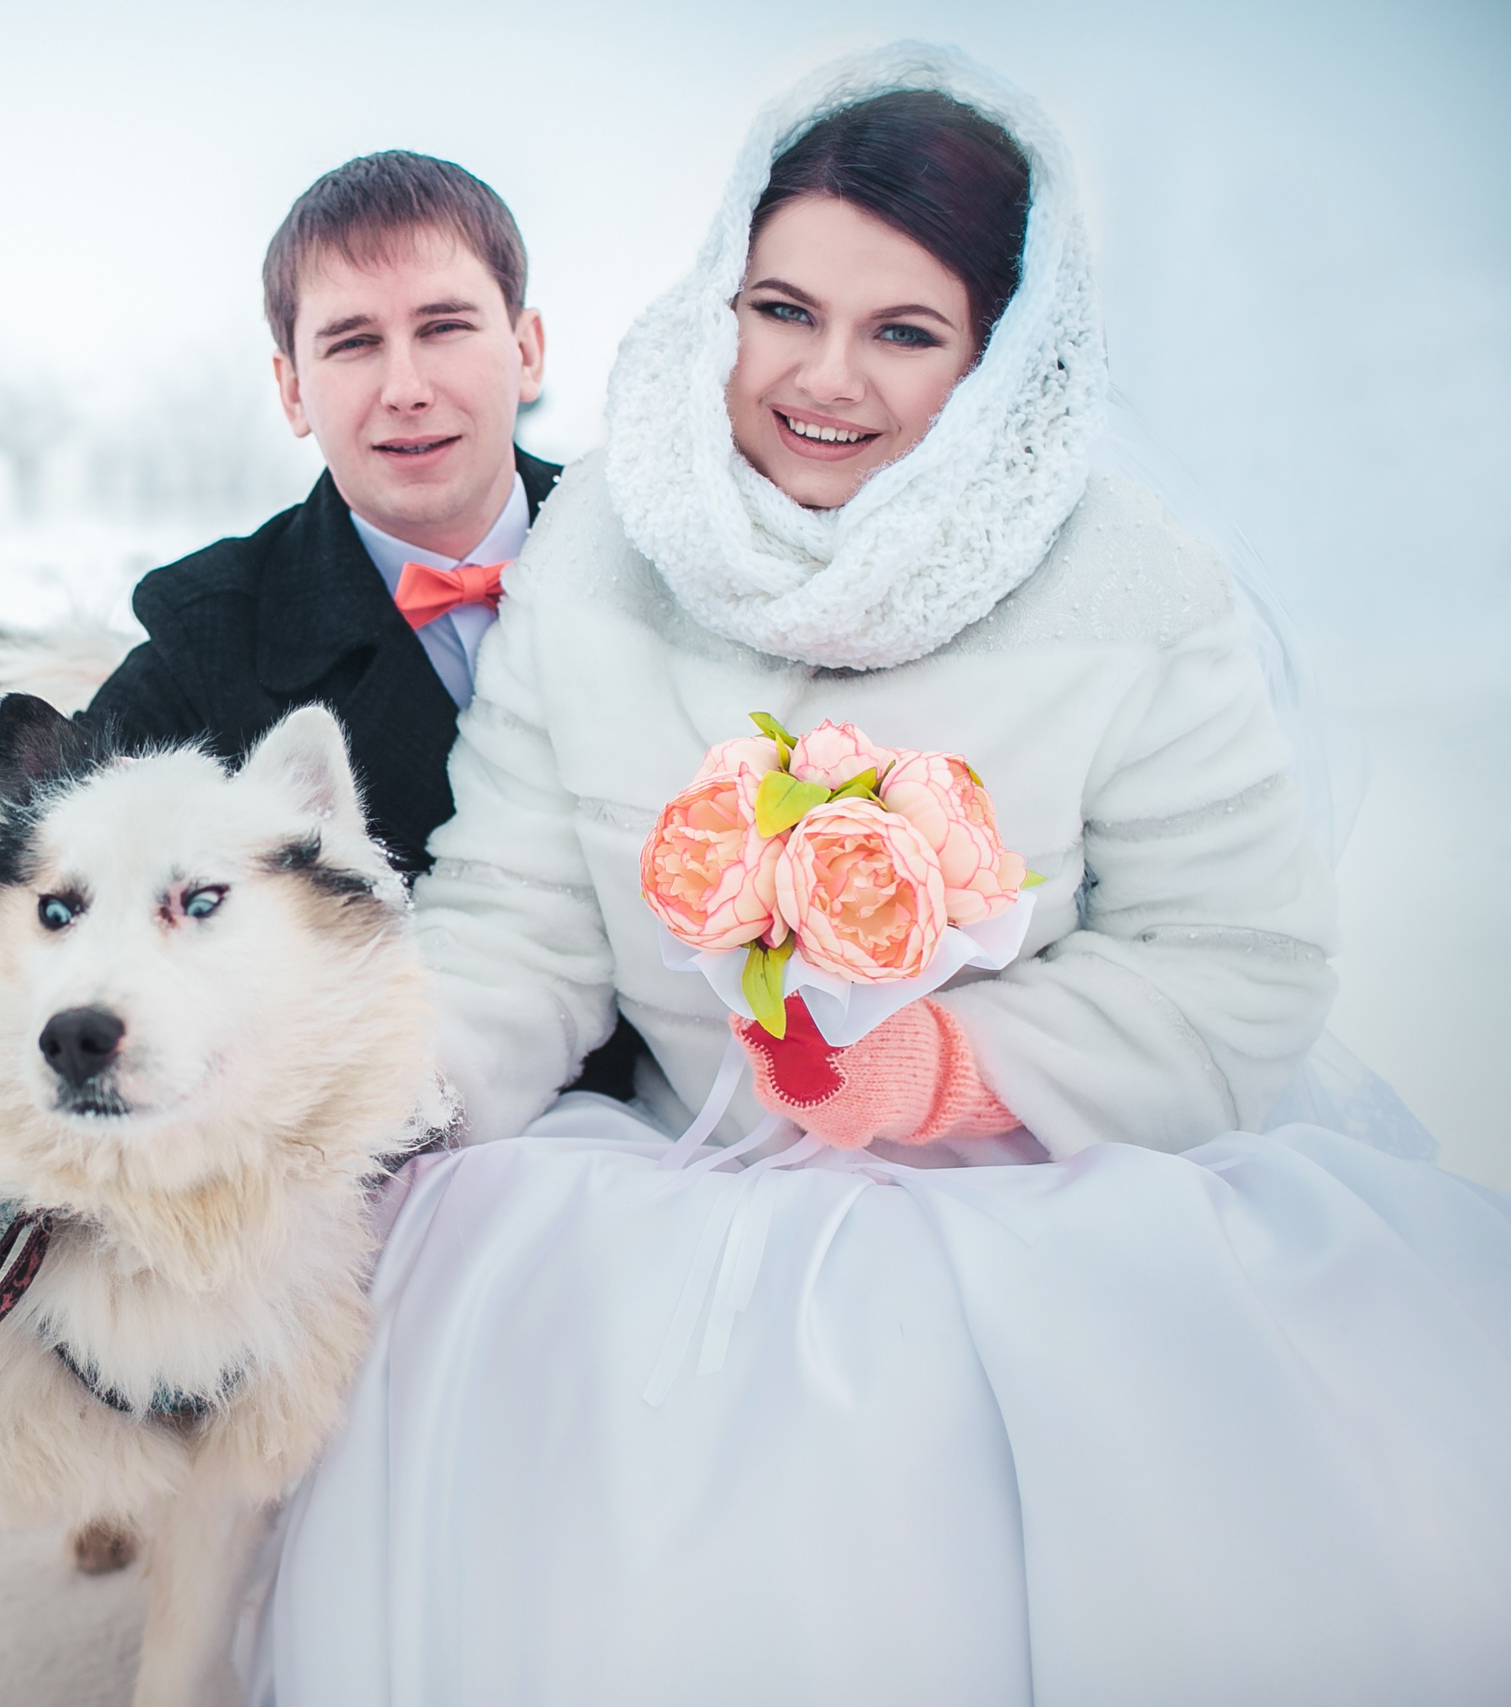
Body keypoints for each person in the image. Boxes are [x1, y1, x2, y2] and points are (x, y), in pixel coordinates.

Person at [251, 46, 1511, 1706]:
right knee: (497, 1330)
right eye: (782, 310)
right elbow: (519, 922)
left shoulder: (1131, 585)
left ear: (996, 356)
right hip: (682, 1175)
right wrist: (369, 1100)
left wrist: (961, 1061)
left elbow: (1240, 962)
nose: (821, 378)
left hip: (1037, 1194)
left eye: (903, 331)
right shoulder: (611, 552)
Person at [84, 150, 552, 881]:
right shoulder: (210, 642)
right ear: (294, 390)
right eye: (355, 343)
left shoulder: (664, 551)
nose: (406, 388)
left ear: (527, 352)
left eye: (444, 327)